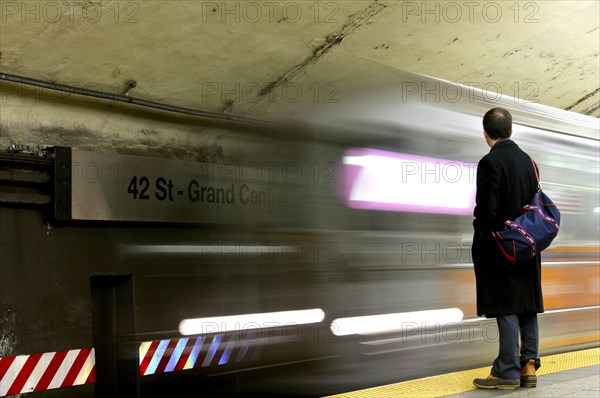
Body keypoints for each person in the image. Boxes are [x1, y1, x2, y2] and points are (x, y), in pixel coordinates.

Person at [471, 108, 543, 390]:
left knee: (506, 304)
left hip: (503, 246)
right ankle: (528, 365)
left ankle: (507, 370)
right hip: (529, 243)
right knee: (527, 303)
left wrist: (481, 234)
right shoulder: (529, 162)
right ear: (511, 130)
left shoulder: (490, 163)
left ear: (486, 133)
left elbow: (486, 210)